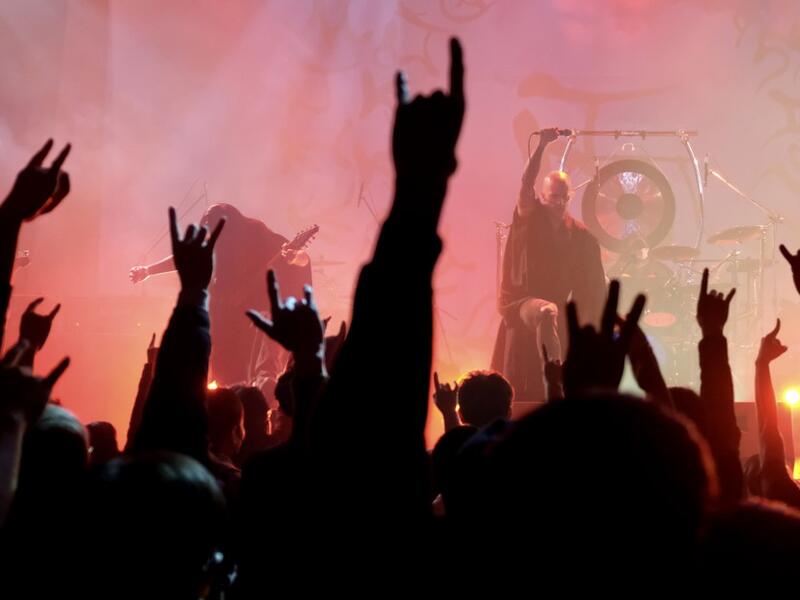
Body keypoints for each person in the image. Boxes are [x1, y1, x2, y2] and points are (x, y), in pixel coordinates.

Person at [129, 203, 312, 385]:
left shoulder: (257, 235)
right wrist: (148, 270)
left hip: (260, 314)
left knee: (260, 364)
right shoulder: (215, 240)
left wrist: (295, 258)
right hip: (227, 317)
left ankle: (263, 385)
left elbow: (301, 259)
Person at [491, 127, 606, 403]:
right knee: (546, 311)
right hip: (521, 301)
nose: (560, 202)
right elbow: (525, 183)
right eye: (554, 196)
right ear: (543, 196)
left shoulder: (579, 234)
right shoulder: (529, 216)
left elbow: (593, 281)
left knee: (558, 313)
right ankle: (556, 377)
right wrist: (542, 146)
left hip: (559, 307)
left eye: (564, 197)